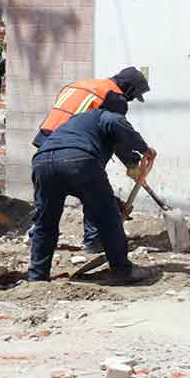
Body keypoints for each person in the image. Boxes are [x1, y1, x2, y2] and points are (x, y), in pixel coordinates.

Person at [28, 107, 156, 285]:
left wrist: (113, 201)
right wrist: (144, 148)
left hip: (42, 160)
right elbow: (115, 123)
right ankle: (122, 270)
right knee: (107, 217)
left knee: (45, 221)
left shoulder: (78, 123)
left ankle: (37, 276)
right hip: (77, 159)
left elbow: (88, 191)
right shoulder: (106, 116)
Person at [31, 67, 151, 254]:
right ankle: (95, 241)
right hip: (77, 146)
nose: (130, 100)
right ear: (128, 88)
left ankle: (38, 237)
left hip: (46, 143)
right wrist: (132, 162)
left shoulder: (81, 84)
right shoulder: (114, 97)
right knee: (93, 191)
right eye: (133, 96)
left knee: (48, 198)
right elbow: (114, 132)